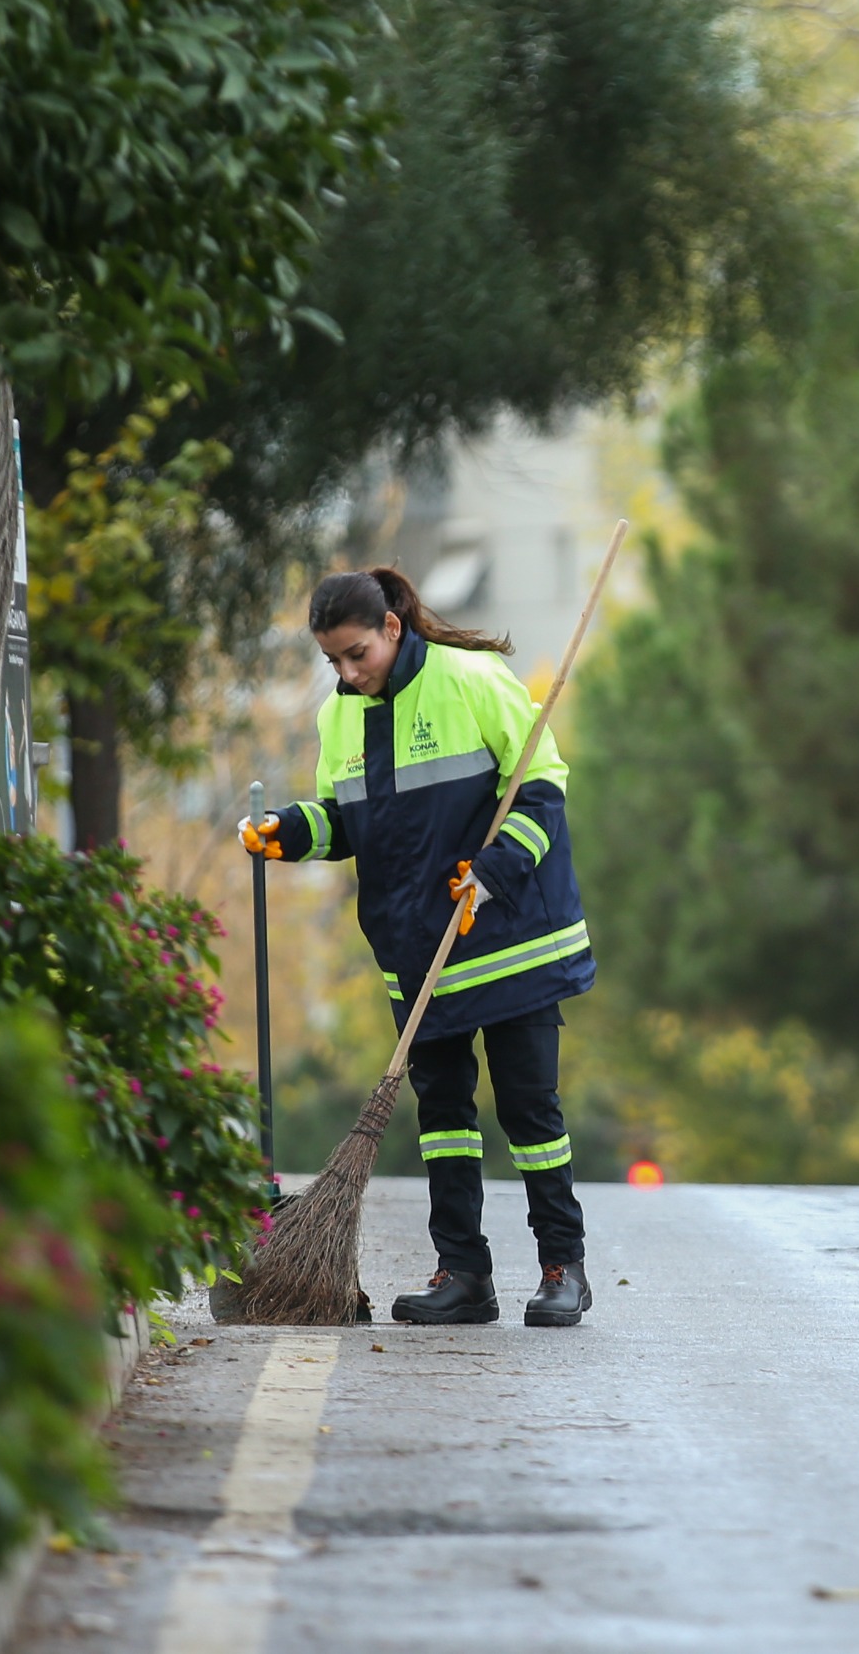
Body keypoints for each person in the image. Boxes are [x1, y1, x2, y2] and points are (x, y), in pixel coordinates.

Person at [241, 566, 596, 1326]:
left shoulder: (472, 679)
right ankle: (463, 1273)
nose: (345, 673)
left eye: (356, 654)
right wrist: (292, 832)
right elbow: (349, 821)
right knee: (442, 1112)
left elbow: (542, 786)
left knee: (530, 1109)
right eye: (332, 660)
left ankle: (563, 1265)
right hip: (415, 950)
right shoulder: (340, 718)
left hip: (510, 941)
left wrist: (491, 873)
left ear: (393, 629)